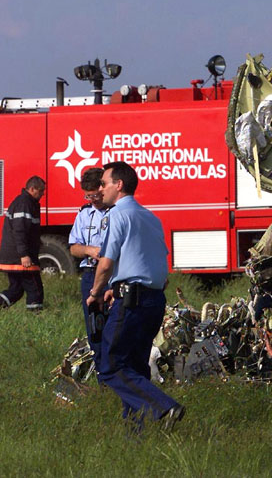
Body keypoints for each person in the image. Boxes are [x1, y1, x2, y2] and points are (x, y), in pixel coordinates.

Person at [86, 162, 184, 430]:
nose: (100, 188)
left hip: (131, 302)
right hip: (153, 300)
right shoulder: (151, 218)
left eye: (104, 183)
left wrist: (95, 293)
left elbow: (106, 263)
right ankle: (135, 433)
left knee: (112, 366)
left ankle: (165, 407)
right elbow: (158, 267)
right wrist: (113, 288)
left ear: (119, 185)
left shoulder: (117, 215)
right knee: (135, 368)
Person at [68, 168, 109, 375]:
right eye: (88, 196)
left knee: (114, 327)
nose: (92, 200)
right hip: (90, 275)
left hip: (112, 276)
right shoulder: (84, 214)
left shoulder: (116, 212)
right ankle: (103, 376)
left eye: (95, 195)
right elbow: (74, 247)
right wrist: (89, 250)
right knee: (94, 328)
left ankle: (118, 373)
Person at [0, 176, 46, 312]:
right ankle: (36, 318)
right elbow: (20, 230)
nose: (43, 194)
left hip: (13, 257)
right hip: (20, 258)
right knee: (35, 289)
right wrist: (24, 254)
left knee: (16, 290)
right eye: (41, 191)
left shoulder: (26, 203)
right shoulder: (24, 203)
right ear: (32, 189)